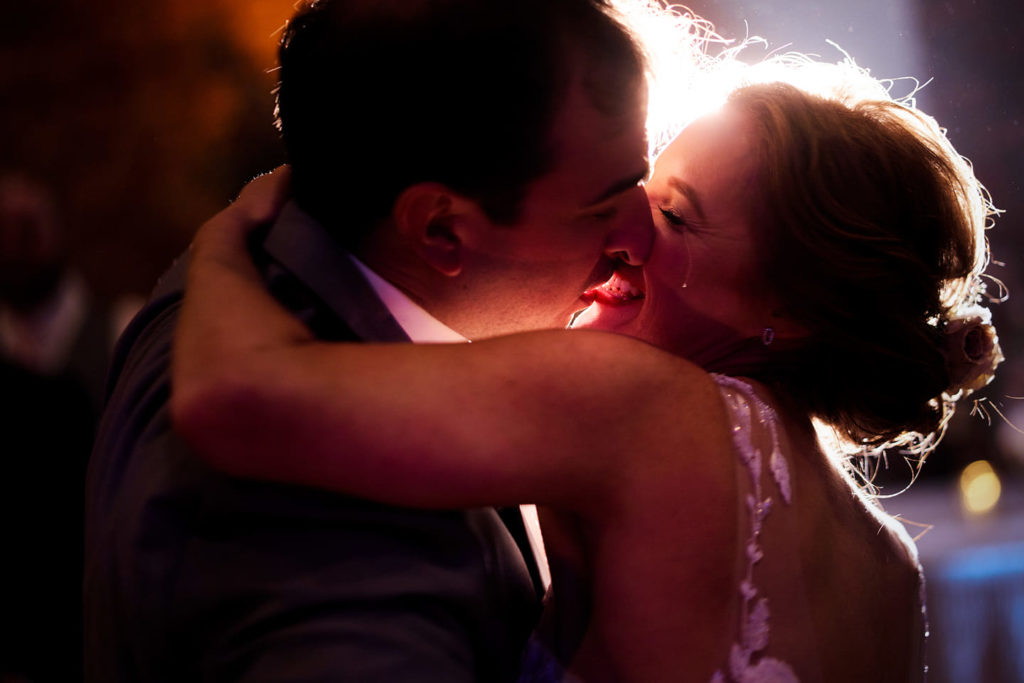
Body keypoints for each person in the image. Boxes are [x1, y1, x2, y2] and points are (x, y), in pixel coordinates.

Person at [170, 64, 1003, 681]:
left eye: (674, 215)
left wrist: (224, 241)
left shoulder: (648, 405)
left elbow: (230, 400)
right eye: (640, 186)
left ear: (790, 314)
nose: (622, 226)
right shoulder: (894, 569)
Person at [84, 1, 660, 681]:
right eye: (602, 207)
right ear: (441, 229)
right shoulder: (333, 533)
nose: (640, 240)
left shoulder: (239, 258)